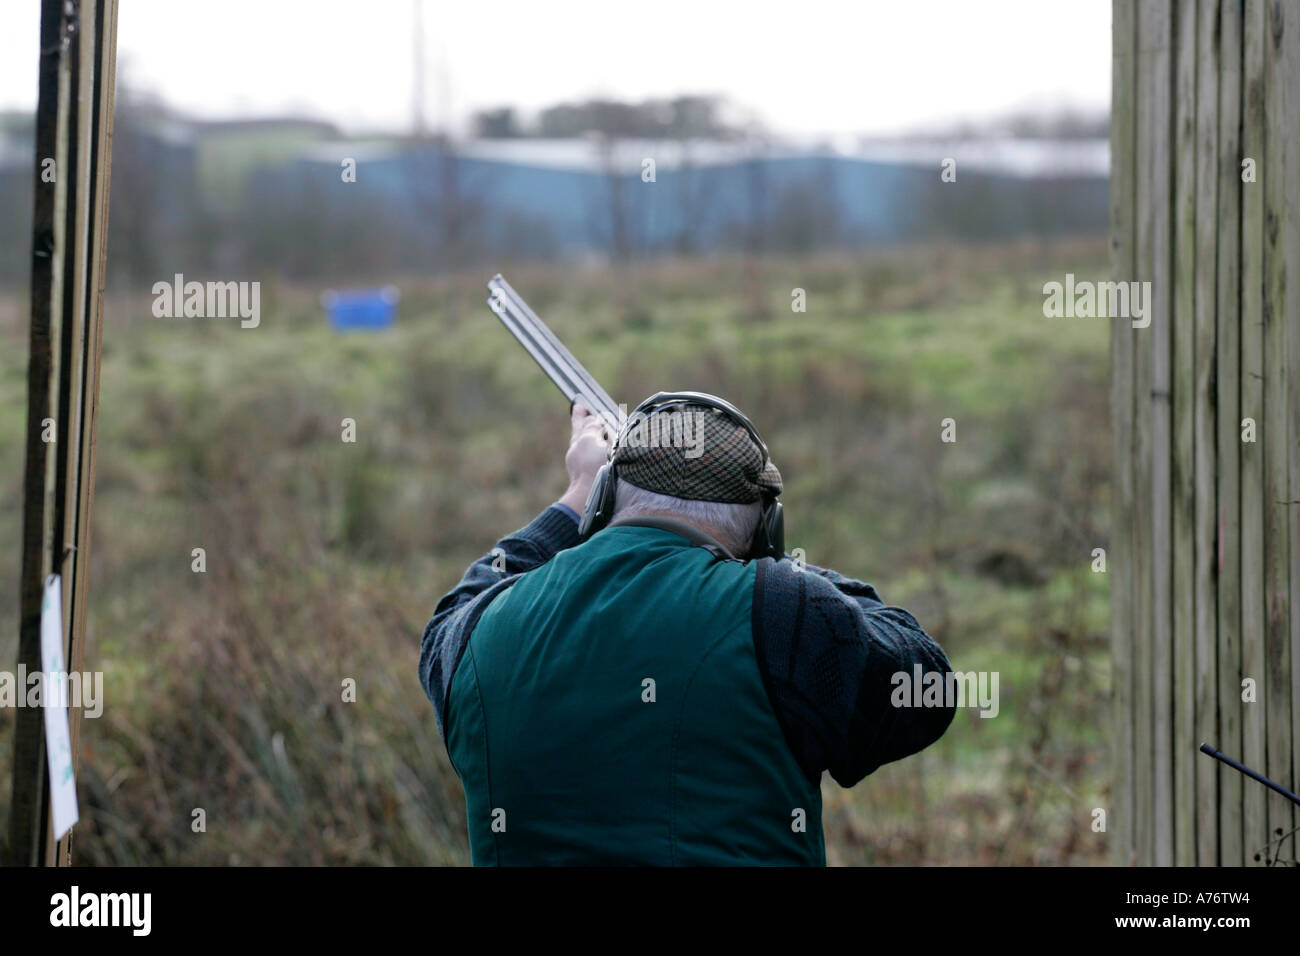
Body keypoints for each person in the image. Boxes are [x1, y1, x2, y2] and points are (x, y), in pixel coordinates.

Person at [420, 394, 956, 865]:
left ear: (605, 504)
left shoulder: (475, 637)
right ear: (767, 533)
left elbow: (461, 605)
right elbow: (928, 684)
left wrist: (576, 498)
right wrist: (781, 573)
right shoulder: (788, 617)